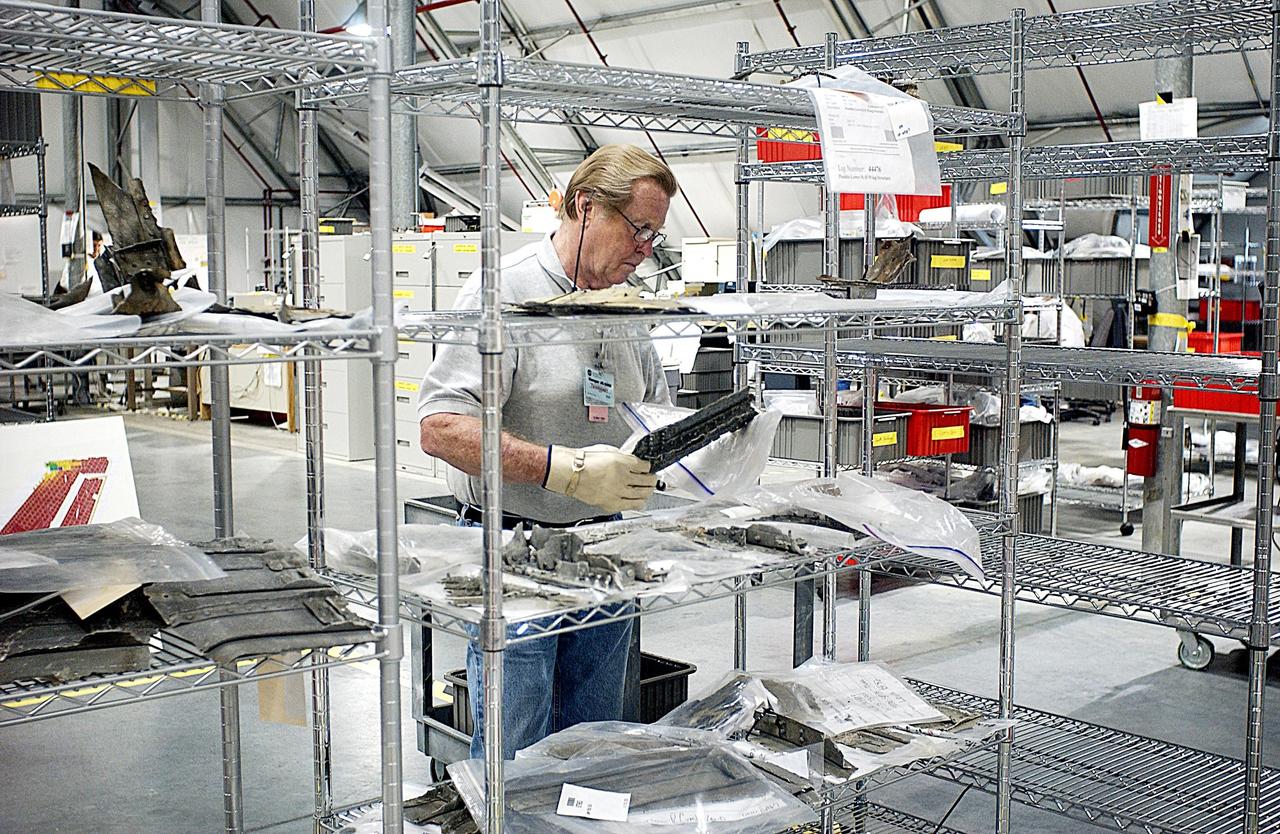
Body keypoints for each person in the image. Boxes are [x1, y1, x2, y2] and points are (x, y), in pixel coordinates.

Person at [417, 144, 677, 758]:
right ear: (585, 206)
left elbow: (654, 408)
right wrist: (564, 469)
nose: (645, 250)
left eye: (655, 235)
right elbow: (441, 427)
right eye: (637, 229)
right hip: (513, 550)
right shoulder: (502, 293)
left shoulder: (625, 302)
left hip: (607, 548)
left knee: (598, 739)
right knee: (513, 747)